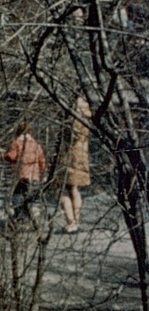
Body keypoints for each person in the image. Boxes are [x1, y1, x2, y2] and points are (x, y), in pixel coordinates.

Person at [59, 97, 91, 232]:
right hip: (82, 157)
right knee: (74, 189)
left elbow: (72, 136)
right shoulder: (87, 119)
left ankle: (72, 221)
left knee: (65, 190)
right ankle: (75, 221)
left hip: (71, 157)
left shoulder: (74, 120)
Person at [3, 121, 47, 220]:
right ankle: (30, 214)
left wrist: (4, 155)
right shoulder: (36, 144)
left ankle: (20, 216)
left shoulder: (17, 143)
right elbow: (42, 160)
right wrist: (43, 172)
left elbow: (11, 156)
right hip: (34, 176)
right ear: (30, 131)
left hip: (22, 175)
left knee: (16, 196)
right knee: (28, 195)